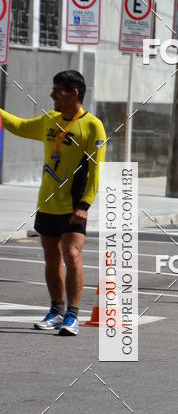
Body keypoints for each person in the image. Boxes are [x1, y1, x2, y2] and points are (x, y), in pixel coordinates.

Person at [0, 70, 106, 336]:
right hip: (47, 203)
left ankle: (72, 315)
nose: (52, 94)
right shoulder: (50, 121)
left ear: (74, 94)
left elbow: (96, 169)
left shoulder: (93, 125)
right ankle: (56, 310)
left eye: (57, 90)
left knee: (72, 255)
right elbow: (20, 126)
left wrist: (85, 204)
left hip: (74, 205)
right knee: (51, 258)